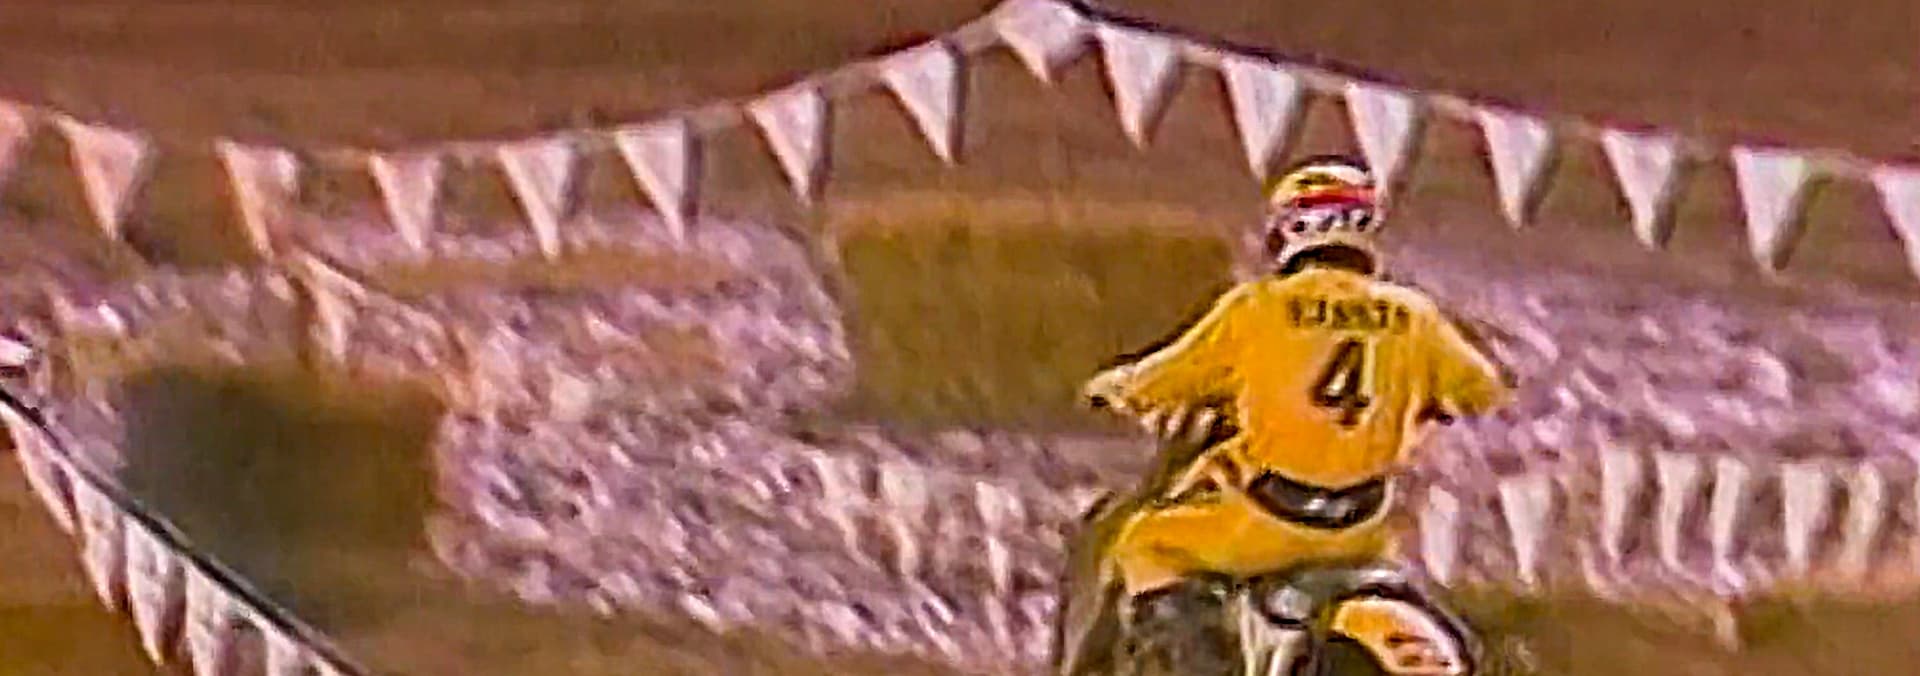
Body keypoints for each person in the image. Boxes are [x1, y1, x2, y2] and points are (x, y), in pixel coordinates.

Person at [1050, 155, 1514, 675]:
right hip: (1362, 527)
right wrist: (1427, 403)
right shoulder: (1415, 316)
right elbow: (1484, 389)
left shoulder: (1259, 307)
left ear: (1293, 227)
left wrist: (1119, 387)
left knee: (1147, 545)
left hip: (1268, 519)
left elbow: (1171, 376)